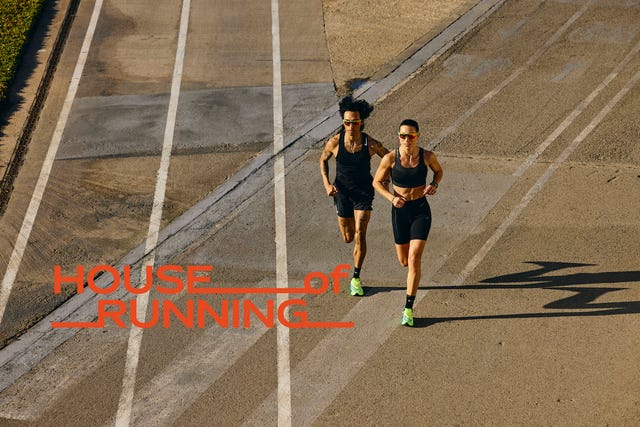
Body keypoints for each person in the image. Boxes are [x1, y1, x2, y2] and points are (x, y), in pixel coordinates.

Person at [372, 119, 443, 326]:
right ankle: (411, 284)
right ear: (398, 137)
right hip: (400, 212)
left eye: (410, 136)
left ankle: (408, 309)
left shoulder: (427, 156)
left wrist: (434, 184)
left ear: (417, 137)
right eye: (402, 136)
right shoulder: (390, 158)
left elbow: (439, 171)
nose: (406, 140)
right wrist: (392, 198)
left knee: (414, 259)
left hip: (421, 210)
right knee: (403, 260)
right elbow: (376, 182)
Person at [319, 95, 388, 296]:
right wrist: (327, 184)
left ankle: (356, 278)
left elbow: (389, 159)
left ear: (361, 122)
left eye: (355, 122)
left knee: (360, 232)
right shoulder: (334, 142)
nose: (351, 126)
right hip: (342, 192)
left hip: (364, 192)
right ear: (344, 122)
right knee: (348, 237)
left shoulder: (371, 144)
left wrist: (385, 179)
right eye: (347, 122)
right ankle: (355, 272)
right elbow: (323, 160)